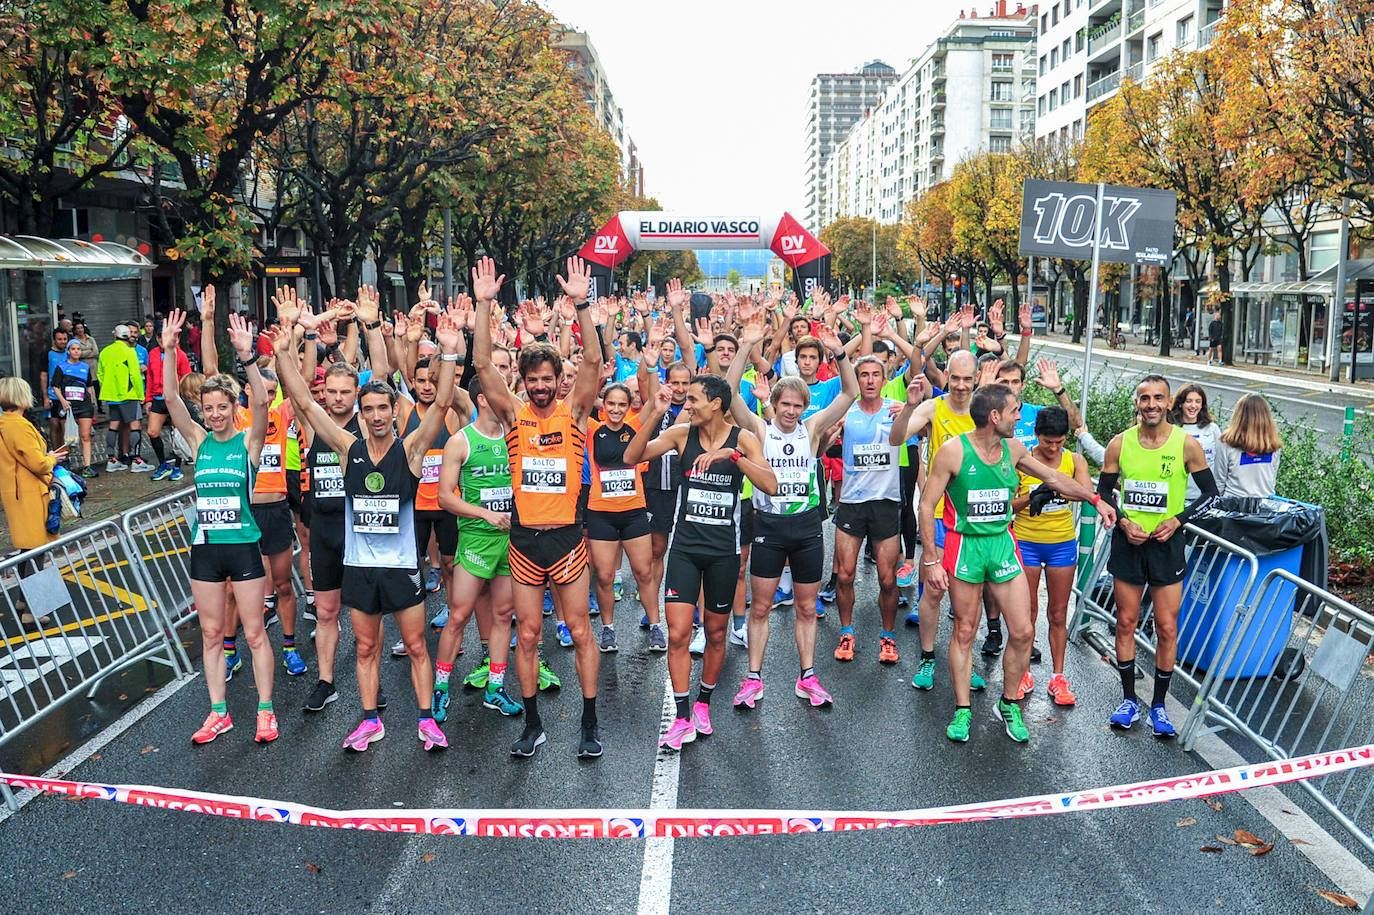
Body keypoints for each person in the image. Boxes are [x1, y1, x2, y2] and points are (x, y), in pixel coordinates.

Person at [275, 290, 458, 753]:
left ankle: (425, 720)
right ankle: (370, 719)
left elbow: (440, 406)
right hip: (360, 569)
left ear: (393, 414)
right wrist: (285, 346)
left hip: (400, 567)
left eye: (383, 409)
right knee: (364, 648)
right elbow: (304, 400)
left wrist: (451, 352)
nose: (376, 416)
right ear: (361, 411)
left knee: (417, 647)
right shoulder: (345, 448)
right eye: (369, 409)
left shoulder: (410, 450)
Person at [918, 384, 1113, 744]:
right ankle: (962, 710)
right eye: (1013, 411)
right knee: (964, 629)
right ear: (995, 417)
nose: (1019, 417)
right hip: (966, 546)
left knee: (1023, 631)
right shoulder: (953, 453)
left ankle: (1008, 704)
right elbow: (927, 505)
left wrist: (1094, 499)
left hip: (1002, 544)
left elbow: (1054, 478)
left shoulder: (1014, 449)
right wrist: (930, 559)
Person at [472, 255, 607, 760]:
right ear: (525, 383)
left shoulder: (575, 411)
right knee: (526, 634)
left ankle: (589, 722)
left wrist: (582, 304)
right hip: (525, 541)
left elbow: (592, 362)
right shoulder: (513, 416)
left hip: (569, 539)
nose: (542, 385)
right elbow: (484, 365)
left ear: (559, 380)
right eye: (534, 380)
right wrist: (485, 304)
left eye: (549, 377)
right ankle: (532, 724)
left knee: (578, 631)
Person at [624, 373, 776, 750]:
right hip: (685, 549)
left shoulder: (743, 438)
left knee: (717, 633)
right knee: (677, 633)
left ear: (717, 404)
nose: (685, 404)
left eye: (692, 399)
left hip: (723, 552)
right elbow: (631, 457)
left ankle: (704, 703)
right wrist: (655, 414)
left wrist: (735, 457)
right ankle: (681, 714)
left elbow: (771, 485)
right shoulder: (681, 433)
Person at [158, 309, 279, 745]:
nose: (213, 415)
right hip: (206, 548)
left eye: (220, 407)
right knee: (211, 633)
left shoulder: (249, 441)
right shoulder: (198, 442)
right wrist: (169, 350)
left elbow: (263, 402)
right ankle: (218, 712)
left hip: (244, 545)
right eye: (207, 409)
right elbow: (172, 400)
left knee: (251, 632)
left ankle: (265, 710)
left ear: (233, 408)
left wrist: (247, 357)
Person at [726, 315, 856, 710]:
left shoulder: (812, 429)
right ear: (775, 404)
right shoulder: (760, 430)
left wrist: (839, 353)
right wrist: (748, 345)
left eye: (798, 405)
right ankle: (753, 678)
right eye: (785, 404)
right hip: (768, 525)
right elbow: (728, 392)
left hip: (805, 527)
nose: (791, 411)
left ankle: (807, 677)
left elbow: (849, 393)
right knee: (761, 607)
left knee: (805, 607)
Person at [1098, 375, 1218, 739]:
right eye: (1144, 398)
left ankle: (1160, 705)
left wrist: (1177, 520)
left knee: (1167, 627)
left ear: (1170, 404)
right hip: (1129, 544)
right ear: (1137, 403)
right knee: (1126, 622)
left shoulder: (1186, 445)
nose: (1151, 404)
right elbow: (1103, 493)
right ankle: (1129, 700)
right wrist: (1121, 520)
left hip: (1167, 545)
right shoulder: (1119, 444)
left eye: (1158, 398)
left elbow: (1211, 495)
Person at [432, 376, 524, 720]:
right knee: (458, 616)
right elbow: (444, 496)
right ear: (483, 399)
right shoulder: (461, 441)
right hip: (475, 541)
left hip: (510, 541)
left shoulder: (515, 437)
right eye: (500, 393)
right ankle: (439, 690)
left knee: (503, 616)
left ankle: (495, 689)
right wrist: (485, 514)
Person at [830, 352, 916, 665]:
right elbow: (823, 446)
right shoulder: (847, 413)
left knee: (888, 579)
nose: (869, 380)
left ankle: (888, 637)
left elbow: (904, 435)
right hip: (852, 504)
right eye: (863, 375)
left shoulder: (895, 411)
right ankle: (847, 631)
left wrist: (907, 410)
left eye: (875, 375)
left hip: (885, 503)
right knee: (845, 575)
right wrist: (831, 433)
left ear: (883, 379)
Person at [1010, 406, 1092, 706]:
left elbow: (1086, 492)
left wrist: (1054, 489)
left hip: (1061, 544)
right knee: (1026, 613)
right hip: (1027, 542)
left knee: (1058, 614)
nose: (1054, 447)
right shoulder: (1022, 461)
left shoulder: (1074, 460)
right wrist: (1032, 496)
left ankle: (1058, 676)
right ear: (1036, 435)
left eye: (1059, 442)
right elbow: (1008, 506)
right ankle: (1023, 672)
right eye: (1047, 442)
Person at [902, 350, 976, 675]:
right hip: (939, 513)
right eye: (955, 378)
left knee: (970, 600)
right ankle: (928, 657)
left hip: (974, 520)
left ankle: (965, 659)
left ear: (977, 380)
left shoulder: (987, 411)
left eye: (967, 379)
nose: (960, 386)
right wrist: (908, 408)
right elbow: (899, 436)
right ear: (946, 375)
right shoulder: (934, 407)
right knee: (933, 590)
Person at [585, 378, 664, 654]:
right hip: (601, 514)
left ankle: (655, 625)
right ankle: (608, 629)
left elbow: (654, 402)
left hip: (633, 513)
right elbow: (581, 402)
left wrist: (651, 367)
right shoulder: (592, 429)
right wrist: (597, 378)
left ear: (629, 406)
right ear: (602, 406)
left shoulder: (634, 427)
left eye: (622, 404)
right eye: (611, 404)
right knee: (605, 576)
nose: (616, 410)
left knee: (644, 572)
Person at [0, 378, 66, 572]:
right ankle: (34, 596)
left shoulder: (5, 422)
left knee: (28, 546)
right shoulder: (19, 425)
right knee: (36, 546)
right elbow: (37, 464)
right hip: (29, 491)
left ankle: (24, 597)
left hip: (15, 489)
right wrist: (52, 459)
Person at [98, 323, 150, 472]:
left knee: (113, 425)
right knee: (135, 425)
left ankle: (111, 459)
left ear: (115, 335)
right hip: (129, 394)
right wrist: (141, 395)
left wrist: (107, 387)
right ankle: (136, 460)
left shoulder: (105, 352)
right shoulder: (129, 352)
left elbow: (100, 374)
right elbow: (135, 375)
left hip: (111, 395)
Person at [1213, 394, 1282, 498]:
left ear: (1238, 416)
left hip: (1233, 505)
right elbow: (1272, 479)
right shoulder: (1274, 445)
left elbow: (1219, 481)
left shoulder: (1226, 443)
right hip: (1265, 505)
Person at [146, 326, 192, 482]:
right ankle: (163, 464)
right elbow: (150, 379)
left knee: (177, 432)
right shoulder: (152, 354)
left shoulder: (181, 355)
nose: (162, 341)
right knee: (152, 432)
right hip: (158, 398)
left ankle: (178, 467)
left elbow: (187, 378)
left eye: (164, 338)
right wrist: (148, 399)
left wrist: (186, 400)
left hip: (176, 399)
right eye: (159, 338)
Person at [50, 340, 96, 476]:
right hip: (68, 407)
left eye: (79, 349)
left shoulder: (85, 367)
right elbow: (55, 386)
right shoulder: (61, 367)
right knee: (68, 437)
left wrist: (92, 400)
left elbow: (89, 385)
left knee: (85, 436)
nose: (76, 351)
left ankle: (87, 467)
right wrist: (62, 400)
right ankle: (65, 465)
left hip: (84, 406)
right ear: (68, 351)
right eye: (73, 349)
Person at [1169, 383, 1221, 501]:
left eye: (1198, 401)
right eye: (1189, 401)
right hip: (1178, 495)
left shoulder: (1212, 429)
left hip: (1204, 496)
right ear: (1180, 403)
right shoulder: (1171, 428)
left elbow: (1220, 462)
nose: (1193, 406)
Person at [41, 328, 70, 450]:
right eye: (60, 339)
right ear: (54, 339)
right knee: (54, 424)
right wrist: (45, 397)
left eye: (65, 339)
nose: (63, 342)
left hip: (67, 394)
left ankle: (65, 453)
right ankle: (56, 451)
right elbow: (44, 375)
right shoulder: (47, 353)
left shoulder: (70, 352)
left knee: (64, 425)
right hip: (53, 394)